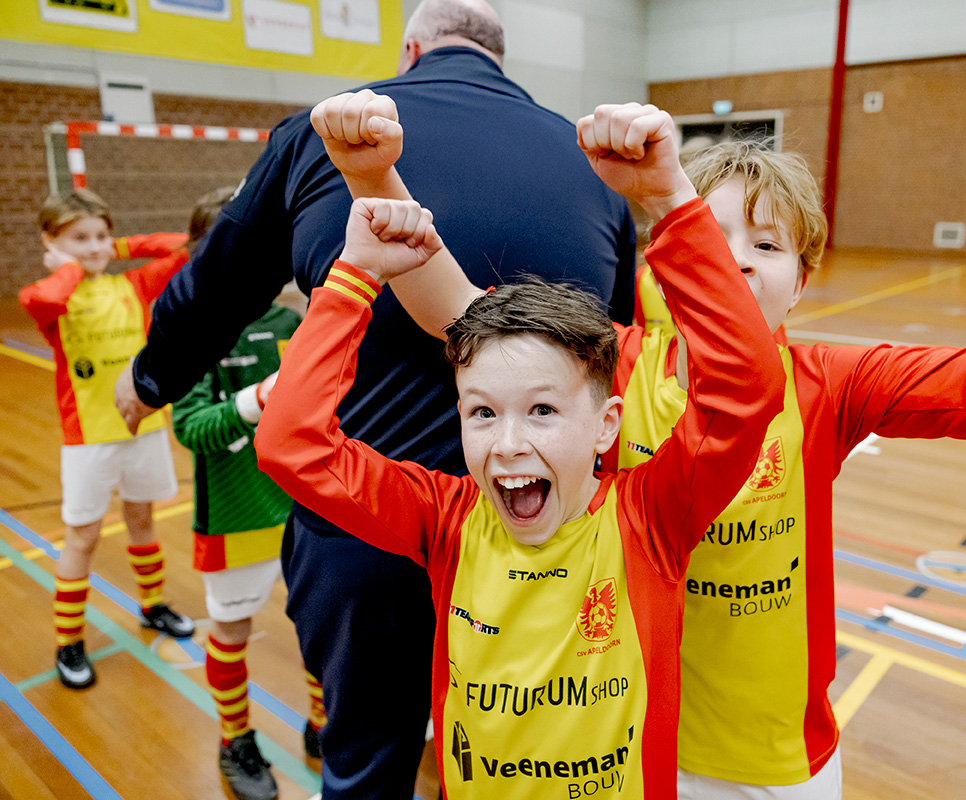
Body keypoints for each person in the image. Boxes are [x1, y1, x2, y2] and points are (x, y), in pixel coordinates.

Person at [314, 92, 966, 799]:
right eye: (708, 230)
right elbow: (456, 307)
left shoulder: (832, 383)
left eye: (766, 243)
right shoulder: (603, 370)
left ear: (804, 280)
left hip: (773, 764)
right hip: (616, 755)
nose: (733, 259)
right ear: (660, 257)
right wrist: (371, 177)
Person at [112, 1, 635, 795]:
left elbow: (220, 281)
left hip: (365, 524)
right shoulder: (585, 162)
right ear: (501, 59)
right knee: (528, 749)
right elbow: (620, 343)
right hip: (538, 529)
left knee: (364, 762)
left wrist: (152, 376)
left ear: (411, 50)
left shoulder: (325, 134)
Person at [255, 96, 785, 799]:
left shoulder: (650, 519)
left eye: (541, 410)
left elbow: (746, 382)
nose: (507, 444)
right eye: (481, 412)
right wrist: (353, 276)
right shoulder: (444, 518)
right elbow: (291, 445)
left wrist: (670, 199)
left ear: (607, 426)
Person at [170, 187, 324, 800]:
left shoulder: (292, 323)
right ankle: (235, 737)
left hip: (305, 512)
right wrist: (254, 400)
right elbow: (191, 428)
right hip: (234, 519)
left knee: (316, 628)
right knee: (230, 634)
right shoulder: (194, 330)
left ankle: (322, 725)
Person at [19, 188, 195, 690]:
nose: (94, 246)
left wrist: (114, 248)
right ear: (50, 242)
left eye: (101, 235)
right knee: (84, 537)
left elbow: (186, 248)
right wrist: (70, 264)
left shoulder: (134, 285)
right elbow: (48, 297)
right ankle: (68, 640)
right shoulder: (46, 293)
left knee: (142, 520)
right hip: (88, 440)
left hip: (141, 427)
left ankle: (152, 604)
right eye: (80, 238)